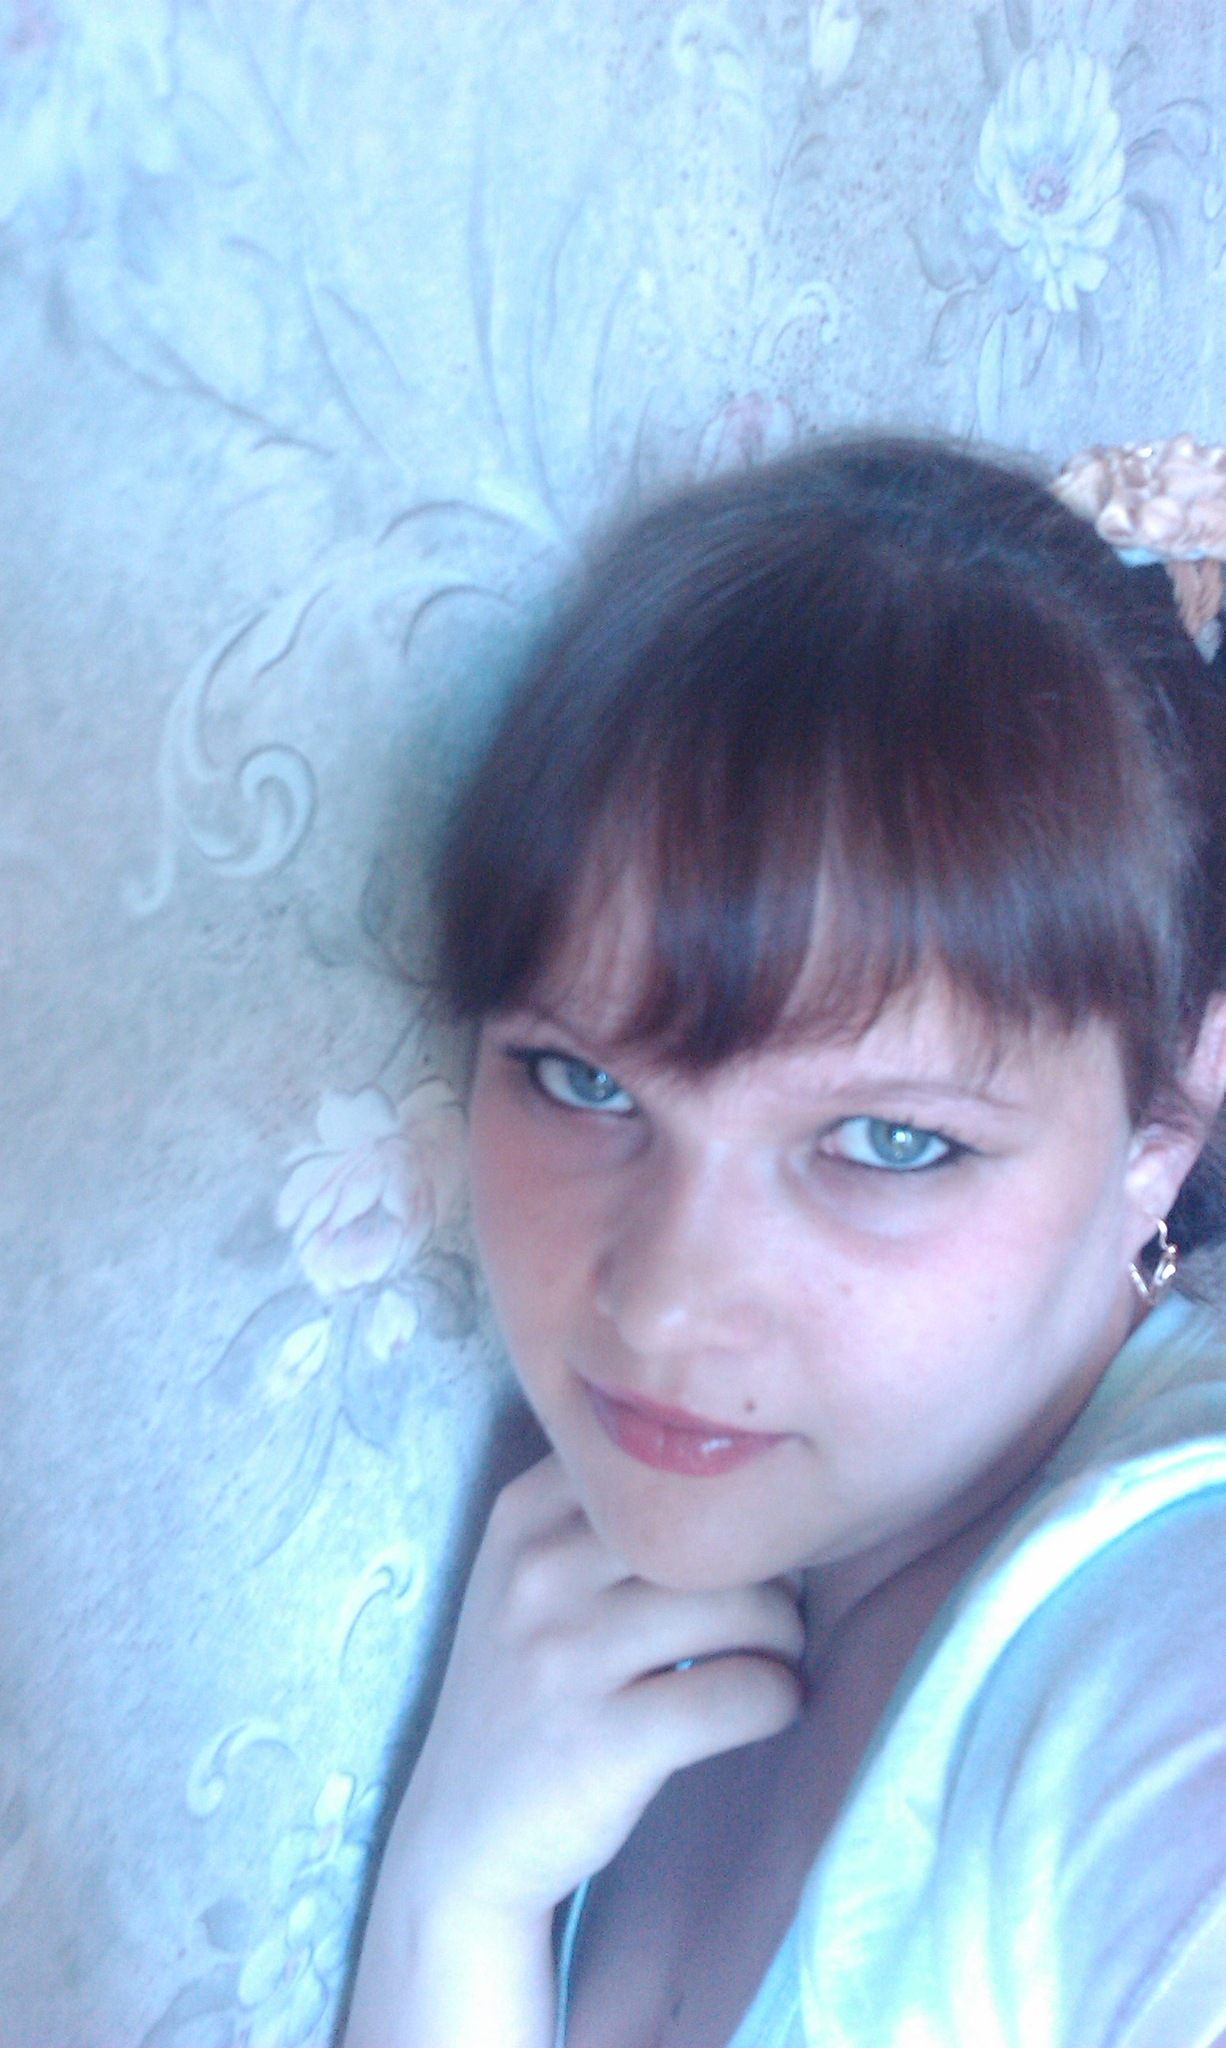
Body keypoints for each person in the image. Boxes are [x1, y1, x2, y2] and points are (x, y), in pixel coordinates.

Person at [343, 437, 1226, 2048]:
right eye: (581, 1080)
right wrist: (453, 1904)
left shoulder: (1168, 1674)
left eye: (889, 1143)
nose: (665, 1309)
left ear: (1162, 1123)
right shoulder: (602, 1607)